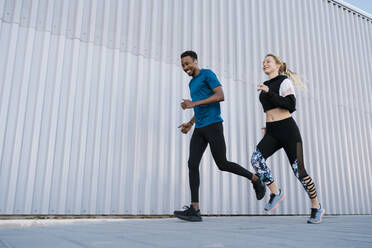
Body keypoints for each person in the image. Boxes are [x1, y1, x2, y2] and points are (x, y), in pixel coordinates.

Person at [174, 51, 266, 222]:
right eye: (183, 65)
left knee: (222, 164)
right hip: (200, 127)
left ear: (195, 61)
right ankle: (195, 210)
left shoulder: (207, 74)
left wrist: (193, 103)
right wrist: (190, 123)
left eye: (188, 63)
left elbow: (219, 96)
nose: (186, 67)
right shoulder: (192, 83)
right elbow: (200, 107)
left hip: (214, 125)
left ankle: (255, 179)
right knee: (192, 164)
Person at [251, 54, 325, 224]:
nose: (264, 64)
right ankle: (276, 193)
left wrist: (269, 92)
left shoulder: (284, 81)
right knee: (256, 159)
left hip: (288, 130)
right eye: (262, 62)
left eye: (268, 61)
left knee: (300, 171)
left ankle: (316, 206)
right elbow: (269, 110)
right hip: (272, 131)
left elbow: (291, 105)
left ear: (278, 65)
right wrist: (268, 127)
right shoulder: (265, 85)